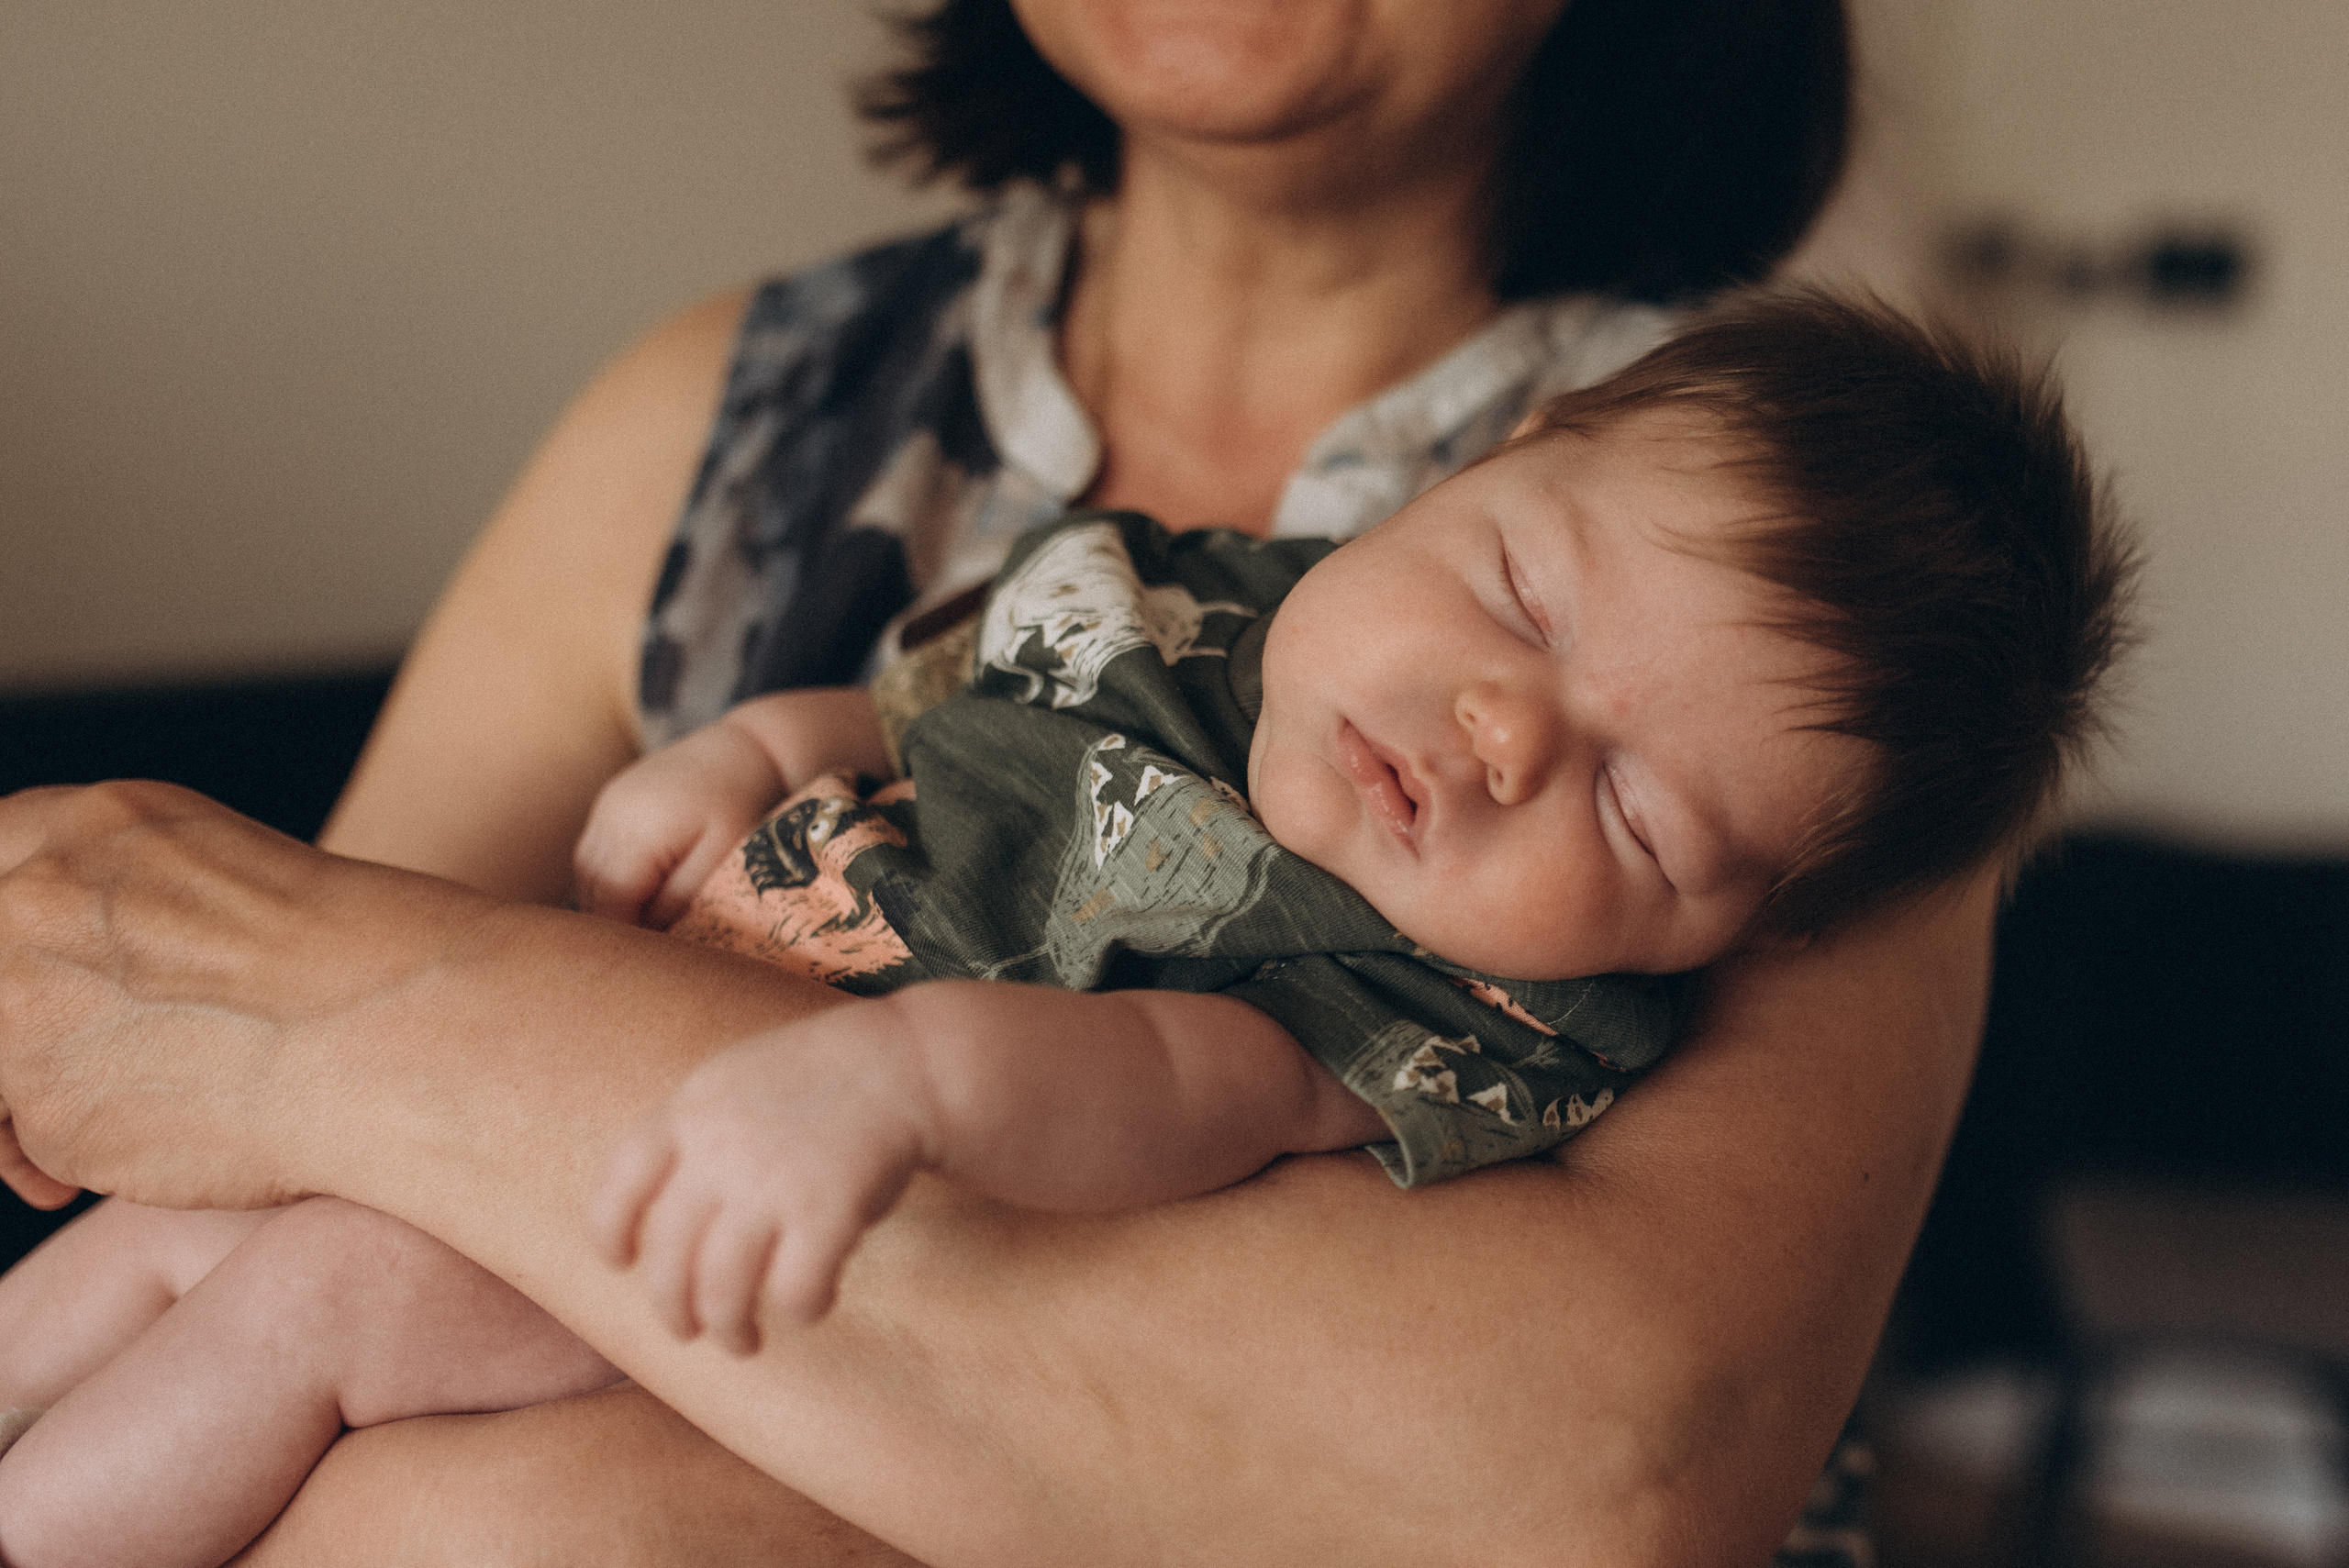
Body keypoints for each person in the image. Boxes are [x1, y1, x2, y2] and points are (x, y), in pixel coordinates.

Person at [0, 0, 2015, 1561]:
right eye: (1507, 598)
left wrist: (360, 1020)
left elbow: (1578, 1482)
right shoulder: (729, 416)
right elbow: (239, 1097)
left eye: (1628, 813)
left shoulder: (1821, 591)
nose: (1507, 734)